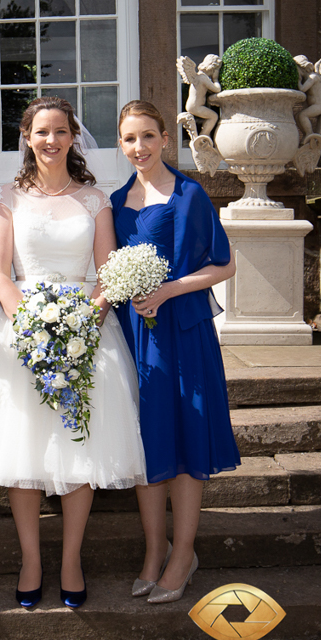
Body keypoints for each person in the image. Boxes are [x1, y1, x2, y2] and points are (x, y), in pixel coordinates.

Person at [0, 97, 147, 610]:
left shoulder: (96, 200)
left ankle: (71, 559)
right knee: (25, 448)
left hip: (85, 330)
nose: (50, 140)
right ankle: (31, 559)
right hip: (21, 330)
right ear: (27, 138)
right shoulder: (7, 198)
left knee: (82, 449)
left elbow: (108, 275)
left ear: (73, 136)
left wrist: (84, 326)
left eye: (60, 131)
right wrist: (29, 328)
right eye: (41, 132)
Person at [110, 100, 240, 604]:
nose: (138, 147)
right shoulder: (118, 202)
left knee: (185, 439)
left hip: (184, 332)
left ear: (165, 138)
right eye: (128, 139)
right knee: (148, 443)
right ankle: (152, 551)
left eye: (146, 136)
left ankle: (183, 554)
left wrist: (168, 289)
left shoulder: (190, 195)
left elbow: (223, 265)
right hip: (138, 336)